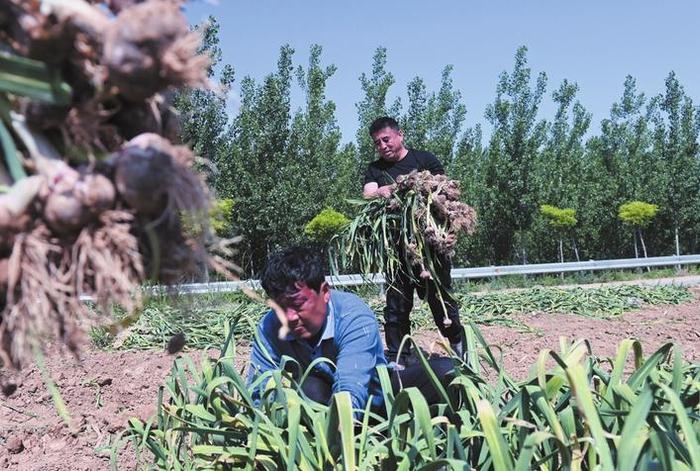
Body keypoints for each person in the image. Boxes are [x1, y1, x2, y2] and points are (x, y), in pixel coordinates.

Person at [247, 246, 454, 415]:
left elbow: (351, 387)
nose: (289, 317)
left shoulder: (352, 315)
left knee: (447, 372)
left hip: (379, 397)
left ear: (325, 292)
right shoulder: (269, 328)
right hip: (322, 405)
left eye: (298, 304)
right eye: (280, 306)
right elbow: (259, 392)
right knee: (309, 387)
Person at [363, 116, 464, 363]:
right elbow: (367, 194)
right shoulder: (376, 169)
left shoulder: (424, 159)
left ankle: (460, 349)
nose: (383, 146)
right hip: (397, 251)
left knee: (441, 301)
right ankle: (398, 360)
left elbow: (445, 191)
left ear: (400, 135)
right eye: (377, 143)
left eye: (386, 139)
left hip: (430, 249)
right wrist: (381, 191)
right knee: (396, 307)